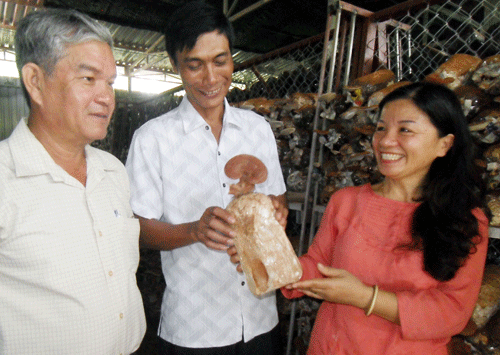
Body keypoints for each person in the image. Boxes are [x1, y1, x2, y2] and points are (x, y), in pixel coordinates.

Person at [125, 1, 287, 354]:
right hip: (195, 326)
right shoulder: (153, 139)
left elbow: (277, 199)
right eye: (195, 65)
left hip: (261, 317)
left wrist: (276, 213)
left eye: (220, 61)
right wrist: (193, 231)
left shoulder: (257, 129)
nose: (211, 79)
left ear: (232, 57)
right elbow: (139, 228)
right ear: (175, 65)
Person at [281, 82, 490, 354]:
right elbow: (317, 266)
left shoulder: (463, 218)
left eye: (405, 129)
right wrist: (275, 267)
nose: (385, 141)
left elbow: (451, 312)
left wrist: (366, 298)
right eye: (381, 128)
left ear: (444, 144)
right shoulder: (346, 201)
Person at [0, 9, 146, 354]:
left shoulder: (112, 172)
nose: (107, 97)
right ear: (35, 81)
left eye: (110, 82)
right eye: (88, 79)